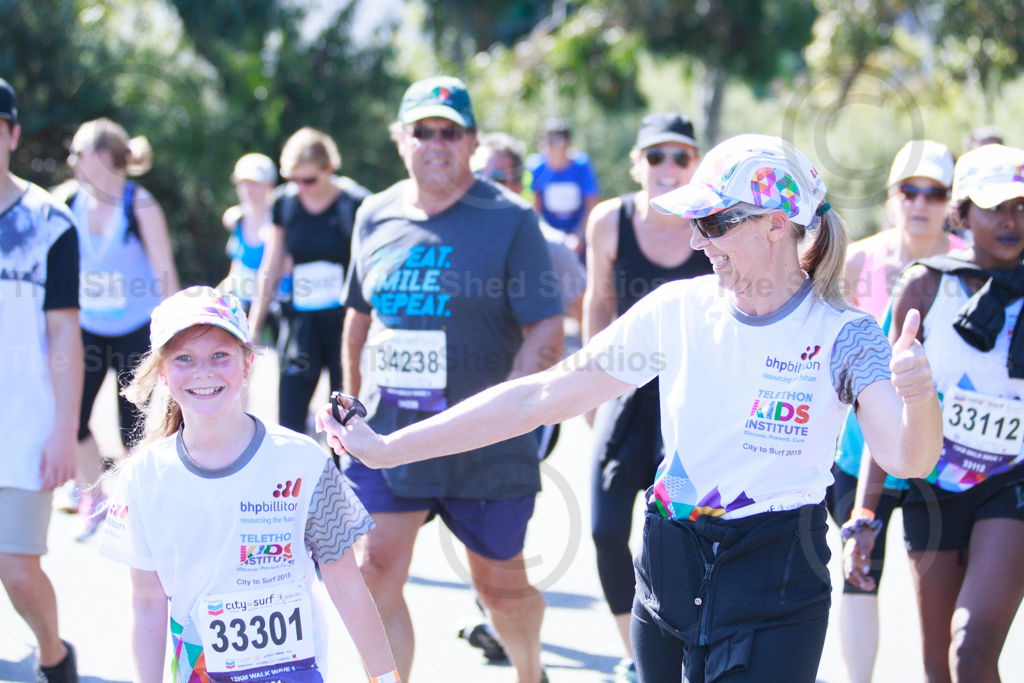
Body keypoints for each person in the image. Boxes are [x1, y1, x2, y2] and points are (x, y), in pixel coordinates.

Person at [320, 134, 943, 683]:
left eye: (712, 222)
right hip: (671, 566)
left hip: (777, 580)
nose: (696, 240)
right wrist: (389, 448)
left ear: (776, 223)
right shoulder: (677, 310)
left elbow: (906, 459)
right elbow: (539, 396)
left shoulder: (845, 335)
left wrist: (918, 397)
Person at [340, 76, 564, 683]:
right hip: (388, 435)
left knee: (500, 589)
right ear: (401, 139)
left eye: (450, 132)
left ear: (470, 142)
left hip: (483, 441)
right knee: (373, 571)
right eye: (423, 131)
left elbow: (546, 327)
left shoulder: (510, 219)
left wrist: (515, 406)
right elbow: (358, 316)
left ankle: (530, 673)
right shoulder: (374, 214)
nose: (435, 143)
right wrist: (349, 401)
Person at [97, 287, 398, 683]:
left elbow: (348, 588)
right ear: (163, 374)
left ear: (247, 364)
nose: (203, 371)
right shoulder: (143, 476)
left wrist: (387, 678)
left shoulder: (304, 460)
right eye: (184, 358)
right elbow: (147, 605)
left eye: (220, 355)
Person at [846, 144, 1024, 683]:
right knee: (937, 667)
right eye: (995, 207)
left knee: (970, 651)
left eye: (1021, 207)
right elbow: (885, 408)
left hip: (1011, 484)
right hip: (934, 487)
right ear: (962, 214)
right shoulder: (924, 285)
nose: (1011, 220)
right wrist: (865, 514)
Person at [582, 112, 711, 683]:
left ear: (695, 164)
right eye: (656, 155)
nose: (668, 167)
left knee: (683, 533)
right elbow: (597, 302)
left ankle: (686, 656)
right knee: (607, 530)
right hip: (625, 393)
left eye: (681, 156)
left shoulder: (712, 220)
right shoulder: (608, 221)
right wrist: (590, 391)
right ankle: (635, 656)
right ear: (637, 163)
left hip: (692, 401)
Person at [830, 139, 964, 683]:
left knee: (939, 589)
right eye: (909, 190)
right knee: (858, 574)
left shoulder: (971, 263)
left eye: (934, 192)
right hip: (860, 449)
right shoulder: (858, 260)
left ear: (951, 202)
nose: (920, 202)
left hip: (946, 454)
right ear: (891, 197)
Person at [0, 76, 83, 683]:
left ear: (13, 135)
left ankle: (53, 656)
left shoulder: (50, 222)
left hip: (23, 427)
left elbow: (64, 333)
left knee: (17, 568)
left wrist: (64, 430)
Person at [62, 118, 180, 538]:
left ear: (103, 156)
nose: (71, 160)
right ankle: (94, 499)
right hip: (87, 329)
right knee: (72, 417)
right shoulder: (67, 201)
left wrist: (178, 334)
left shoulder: (139, 203)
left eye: (79, 152)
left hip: (137, 330)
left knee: (135, 426)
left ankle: (136, 510)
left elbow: (166, 272)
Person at [248, 127, 369, 435]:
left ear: (329, 168)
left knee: (347, 422)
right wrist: (253, 325)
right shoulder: (285, 203)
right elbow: (271, 264)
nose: (301, 187)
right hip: (301, 326)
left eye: (309, 180)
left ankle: (347, 468)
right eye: (294, 179)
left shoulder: (355, 203)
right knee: (289, 419)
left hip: (345, 325)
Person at [472, 132, 587, 326]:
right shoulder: (449, 238)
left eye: (497, 178)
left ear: (518, 186)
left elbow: (586, 314)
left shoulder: (552, 248)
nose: (482, 185)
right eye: (475, 175)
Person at [528, 118, 600, 254]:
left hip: (580, 238)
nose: (547, 146)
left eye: (552, 141)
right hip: (548, 238)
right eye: (544, 141)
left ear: (567, 143)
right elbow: (534, 209)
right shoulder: (536, 167)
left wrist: (578, 236)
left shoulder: (581, 165)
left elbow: (591, 204)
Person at [222, 153, 277, 310]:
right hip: (243, 306)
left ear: (270, 184)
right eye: (243, 183)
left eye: (254, 183)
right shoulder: (237, 221)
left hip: (274, 307)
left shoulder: (280, 223)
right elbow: (236, 272)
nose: (247, 189)